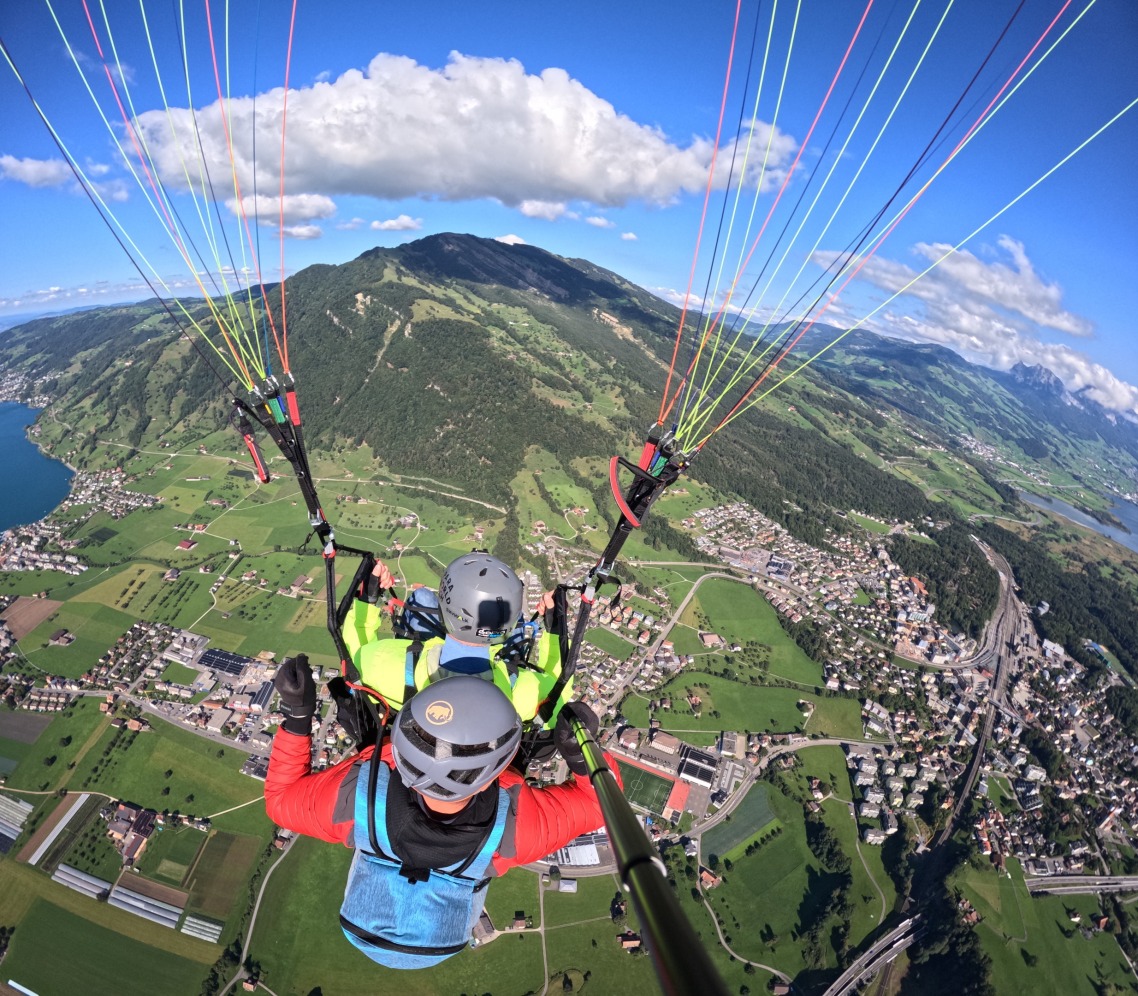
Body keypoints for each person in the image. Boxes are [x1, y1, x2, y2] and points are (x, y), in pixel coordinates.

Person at [265, 657, 616, 968]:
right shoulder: (356, 804)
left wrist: (582, 754)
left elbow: (602, 802)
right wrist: (298, 712)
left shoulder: (512, 837)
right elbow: (280, 803)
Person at [341, 552, 572, 722]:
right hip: (497, 672)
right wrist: (554, 630)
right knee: (522, 624)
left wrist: (368, 597)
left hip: (409, 681)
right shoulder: (526, 694)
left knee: (421, 596)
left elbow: (354, 655)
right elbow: (557, 693)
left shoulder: (381, 663)